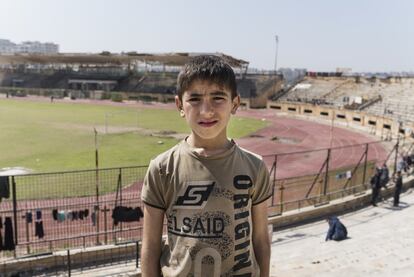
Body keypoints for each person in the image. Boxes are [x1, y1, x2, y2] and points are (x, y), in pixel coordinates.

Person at [141, 55, 272, 277]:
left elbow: (260, 240)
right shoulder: (161, 168)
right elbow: (151, 247)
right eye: (194, 99)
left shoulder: (255, 167)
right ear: (179, 105)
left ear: (235, 104)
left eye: (218, 98)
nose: (206, 110)